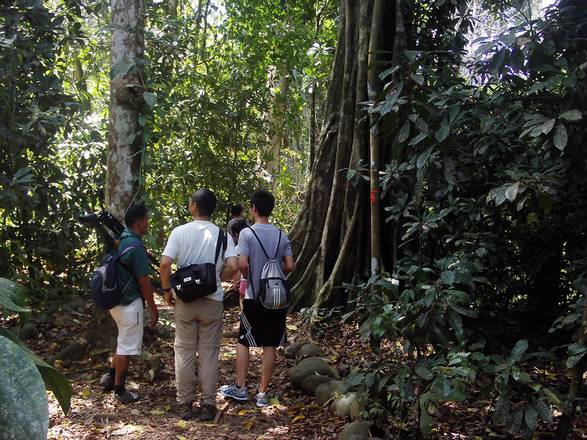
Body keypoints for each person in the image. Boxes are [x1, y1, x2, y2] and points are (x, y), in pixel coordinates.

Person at [160, 189, 238, 421]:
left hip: (185, 300)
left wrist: (167, 290)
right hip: (212, 300)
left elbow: (165, 264)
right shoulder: (222, 235)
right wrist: (217, 277)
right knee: (209, 353)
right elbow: (233, 265)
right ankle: (208, 405)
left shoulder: (180, 232)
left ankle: (184, 403)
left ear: (194, 205)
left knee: (183, 351)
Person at [220, 189, 295, 407]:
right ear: (270, 209)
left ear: (253, 208)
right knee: (270, 343)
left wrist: (248, 276)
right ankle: (262, 393)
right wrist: (276, 270)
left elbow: (242, 264)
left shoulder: (247, 234)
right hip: (277, 298)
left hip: (254, 296)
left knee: (244, 340)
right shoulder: (282, 235)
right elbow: (290, 265)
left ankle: (241, 387)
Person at [99, 204, 159, 404]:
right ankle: (120, 390)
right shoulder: (136, 247)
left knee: (122, 341)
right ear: (139, 222)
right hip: (129, 304)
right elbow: (144, 282)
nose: (148, 223)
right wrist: (153, 307)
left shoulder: (121, 239)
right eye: (147, 219)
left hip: (115, 303)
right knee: (126, 348)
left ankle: (109, 378)